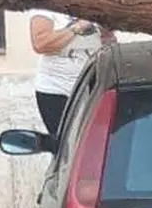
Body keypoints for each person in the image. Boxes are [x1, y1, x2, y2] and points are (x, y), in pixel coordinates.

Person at [28, 9, 116, 137]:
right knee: (65, 141)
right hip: (57, 89)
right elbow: (40, 44)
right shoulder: (46, 7)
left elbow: (108, 42)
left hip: (93, 85)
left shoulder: (93, 3)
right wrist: (77, 28)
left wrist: (106, 33)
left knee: (97, 139)